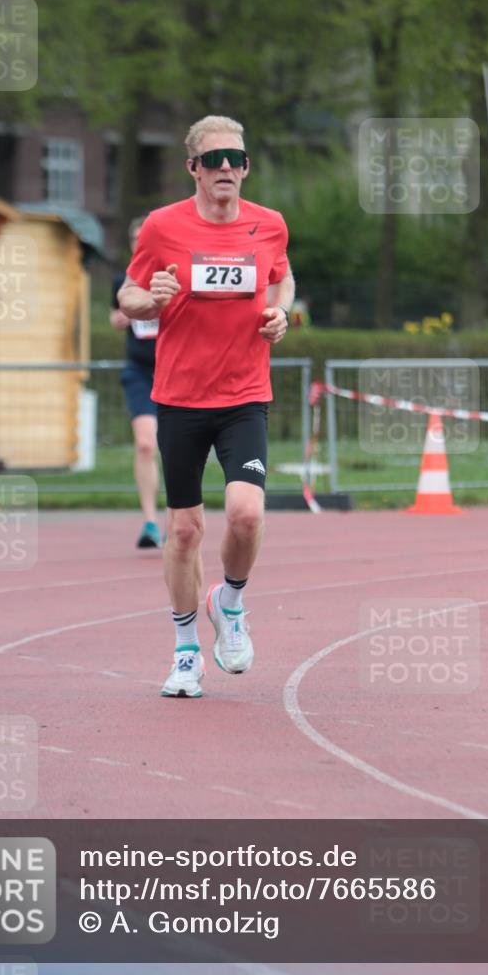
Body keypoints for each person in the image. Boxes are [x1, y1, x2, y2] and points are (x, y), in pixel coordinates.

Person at [118, 115, 294, 698]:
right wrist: (152, 298)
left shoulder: (269, 225)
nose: (226, 169)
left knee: (246, 513)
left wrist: (280, 313)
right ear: (193, 166)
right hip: (180, 397)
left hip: (245, 394)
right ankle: (186, 650)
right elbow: (128, 294)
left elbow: (282, 278)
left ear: (246, 167)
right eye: (214, 159)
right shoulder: (163, 226)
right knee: (187, 530)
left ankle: (231, 602)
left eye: (236, 160)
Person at [110, 216, 163, 549]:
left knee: (177, 448)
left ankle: (183, 516)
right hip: (141, 372)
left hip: (176, 372)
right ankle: (150, 522)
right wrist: (133, 309)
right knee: (146, 444)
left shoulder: (170, 276)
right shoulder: (124, 280)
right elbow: (116, 320)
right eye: (136, 239)